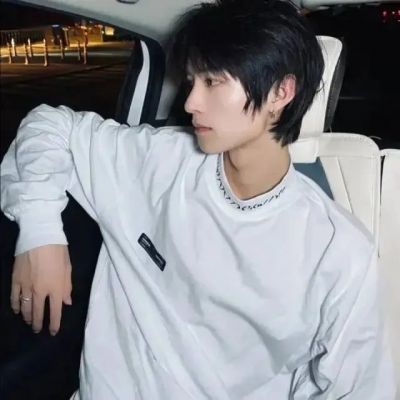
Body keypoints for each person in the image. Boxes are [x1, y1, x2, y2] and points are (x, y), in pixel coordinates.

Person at [0, 0, 396, 398]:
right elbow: (49, 127)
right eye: (193, 81)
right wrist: (40, 233)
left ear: (281, 92)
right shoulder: (161, 160)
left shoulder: (336, 253)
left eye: (213, 82)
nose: (191, 102)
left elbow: (361, 388)